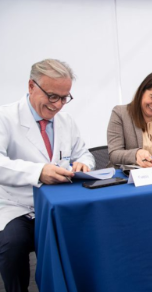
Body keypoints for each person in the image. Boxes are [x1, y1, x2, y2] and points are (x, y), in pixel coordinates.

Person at [0, 59, 95, 292]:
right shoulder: (5, 118)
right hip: (18, 205)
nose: (58, 105)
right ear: (31, 86)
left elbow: (84, 153)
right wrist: (39, 172)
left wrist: (83, 163)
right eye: (53, 96)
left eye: (65, 98)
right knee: (12, 245)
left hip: (58, 204)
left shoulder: (66, 121)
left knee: (86, 236)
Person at [107, 71, 152, 168]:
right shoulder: (120, 114)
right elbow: (114, 154)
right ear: (142, 92)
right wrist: (136, 154)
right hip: (126, 177)